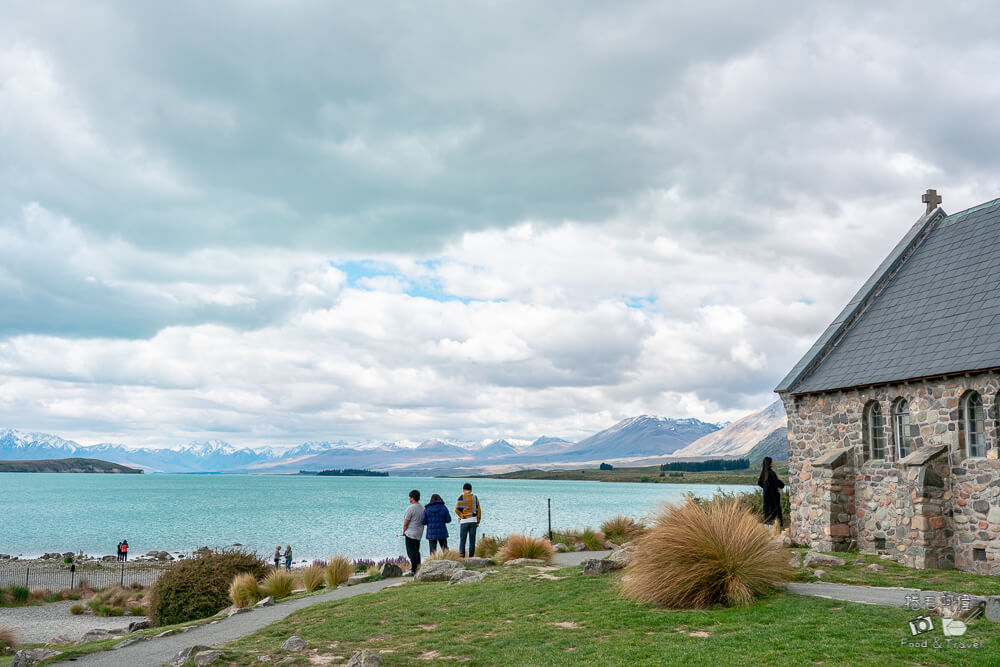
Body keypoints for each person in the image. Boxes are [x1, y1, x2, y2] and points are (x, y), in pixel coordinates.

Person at [757, 456, 785, 532]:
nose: (773, 463)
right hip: (774, 498)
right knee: (776, 514)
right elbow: (778, 483)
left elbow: (759, 483)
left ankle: (768, 531)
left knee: (767, 514)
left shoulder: (763, 473)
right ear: (769, 463)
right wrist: (781, 485)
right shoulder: (771, 473)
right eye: (772, 462)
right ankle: (776, 531)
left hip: (766, 498)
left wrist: (766, 488)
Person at [455, 482, 482, 558]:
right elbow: (479, 511)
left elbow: (457, 510)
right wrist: (478, 521)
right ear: (471, 490)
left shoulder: (461, 497)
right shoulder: (475, 497)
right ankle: (471, 558)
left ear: (463, 489)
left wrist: (462, 516)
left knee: (462, 541)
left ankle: (462, 558)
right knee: (472, 542)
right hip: (473, 521)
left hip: (464, 521)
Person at [401, 489, 425, 577]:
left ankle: (414, 569)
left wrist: (404, 532)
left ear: (412, 498)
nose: (409, 499)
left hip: (410, 533)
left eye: (410, 497)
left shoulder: (410, 508)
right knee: (416, 551)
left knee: (411, 552)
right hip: (419, 533)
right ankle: (418, 567)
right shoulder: (423, 508)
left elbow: (406, 522)